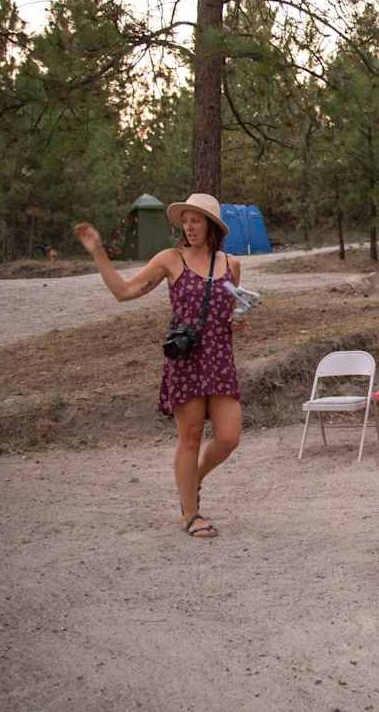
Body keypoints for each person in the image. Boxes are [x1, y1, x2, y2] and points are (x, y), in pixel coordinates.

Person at [74, 193, 244, 539]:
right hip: (186, 361)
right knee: (191, 436)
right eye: (185, 220)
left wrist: (237, 322)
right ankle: (191, 513)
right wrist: (98, 252)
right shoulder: (171, 259)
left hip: (220, 359)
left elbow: (229, 312)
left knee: (229, 437)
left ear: (211, 225)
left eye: (196, 220)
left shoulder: (231, 264)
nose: (189, 226)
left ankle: (191, 480)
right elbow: (123, 292)